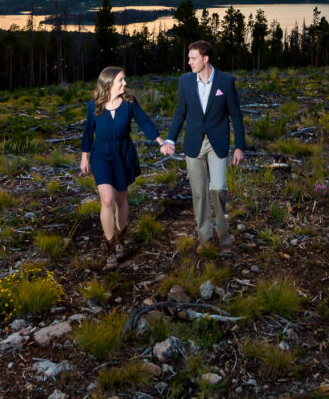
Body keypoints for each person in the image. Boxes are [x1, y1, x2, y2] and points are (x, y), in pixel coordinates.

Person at [160, 40, 245, 249]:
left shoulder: (225, 82)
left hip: (217, 142)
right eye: (189, 58)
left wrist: (240, 146)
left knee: (218, 189)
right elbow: (180, 112)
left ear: (205, 59)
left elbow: (236, 115)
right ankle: (205, 238)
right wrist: (170, 138)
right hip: (193, 143)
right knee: (199, 193)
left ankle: (222, 230)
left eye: (193, 58)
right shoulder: (185, 81)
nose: (189, 62)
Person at [80, 66, 165, 268]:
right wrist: (84, 157)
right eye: (121, 80)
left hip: (123, 154)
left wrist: (161, 142)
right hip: (101, 154)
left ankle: (121, 238)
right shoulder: (94, 105)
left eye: (124, 80)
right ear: (109, 83)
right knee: (107, 200)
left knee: (121, 198)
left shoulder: (129, 103)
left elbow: (144, 122)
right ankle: (109, 249)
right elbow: (87, 132)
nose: (125, 84)